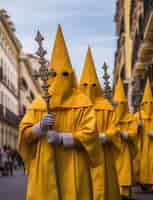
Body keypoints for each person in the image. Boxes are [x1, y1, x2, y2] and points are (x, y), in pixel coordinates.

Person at [18, 25, 102, 200]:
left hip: (75, 165)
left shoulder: (83, 103)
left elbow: (91, 134)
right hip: (45, 167)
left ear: (71, 76)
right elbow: (24, 134)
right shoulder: (39, 103)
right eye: (55, 75)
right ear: (49, 75)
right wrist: (39, 128)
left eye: (65, 75)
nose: (60, 80)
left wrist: (63, 138)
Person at [79, 47, 121, 200]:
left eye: (93, 86)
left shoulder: (107, 107)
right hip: (82, 156)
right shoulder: (76, 106)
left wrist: (106, 136)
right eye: (84, 86)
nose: (89, 90)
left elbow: (115, 129)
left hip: (104, 155)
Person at [113, 79, 137, 200]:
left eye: (122, 103)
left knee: (125, 173)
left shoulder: (130, 118)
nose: (120, 107)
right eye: (117, 104)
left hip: (125, 151)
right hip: (114, 151)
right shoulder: (111, 117)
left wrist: (126, 134)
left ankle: (126, 194)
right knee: (115, 174)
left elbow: (134, 133)